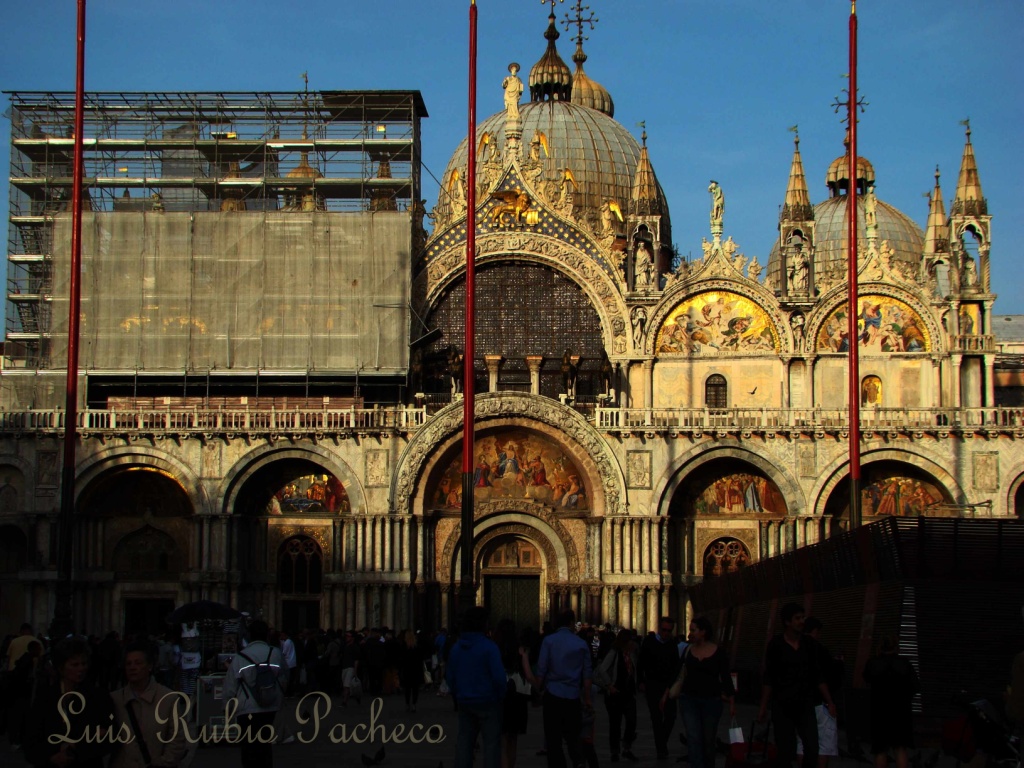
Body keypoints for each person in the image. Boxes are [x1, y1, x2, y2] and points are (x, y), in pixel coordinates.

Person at [757, 603, 836, 768]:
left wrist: (829, 701)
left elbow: (818, 675)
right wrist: (763, 706)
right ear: (787, 622)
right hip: (783, 705)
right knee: (785, 750)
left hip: (806, 704)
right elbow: (769, 677)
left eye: (803, 617)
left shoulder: (808, 644)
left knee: (812, 747)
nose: (802, 621)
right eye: (797, 618)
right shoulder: (777, 644)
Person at [23, 636, 117, 768]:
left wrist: (76, 748)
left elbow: (111, 738)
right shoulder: (45, 698)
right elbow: (30, 741)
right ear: (61, 668)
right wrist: (51, 756)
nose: (81, 669)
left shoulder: (98, 696)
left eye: (84, 664)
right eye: (75, 664)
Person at [666, 617, 736, 768]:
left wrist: (731, 699)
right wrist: (666, 692)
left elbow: (725, 677)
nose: (690, 633)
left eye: (693, 630)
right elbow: (677, 672)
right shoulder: (688, 650)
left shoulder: (718, 652)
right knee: (693, 737)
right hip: (689, 699)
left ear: (703, 632)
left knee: (708, 739)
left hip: (712, 700)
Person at [110, 640, 189, 768]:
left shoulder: (168, 698)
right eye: (128, 663)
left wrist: (163, 762)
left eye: (138, 663)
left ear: (150, 666)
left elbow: (177, 739)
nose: (132, 667)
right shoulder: (115, 699)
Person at [531, 609, 594, 768]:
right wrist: (587, 699)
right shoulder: (581, 643)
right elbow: (587, 676)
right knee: (573, 736)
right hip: (573, 697)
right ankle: (578, 761)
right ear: (571, 623)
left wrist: (537, 689)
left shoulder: (549, 641)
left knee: (553, 740)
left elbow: (541, 669)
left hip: (553, 695)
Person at [446, 607, 507, 768]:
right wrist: (499, 696)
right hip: (488, 702)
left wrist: (458, 693)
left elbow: (450, 676)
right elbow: (500, 678)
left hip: (465, 702)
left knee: (464, 743)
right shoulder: (489, 647)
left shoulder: (457, 648)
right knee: (491, 745)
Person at [224, 620, 287, 768]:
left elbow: (230, 686)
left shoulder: (240, 657)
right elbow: (284, 677)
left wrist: (227, 708)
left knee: (248, 749)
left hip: (246, 709)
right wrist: (278, 695)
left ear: (249, 635)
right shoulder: (275, 653)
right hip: (270, 707)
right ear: (266, 635)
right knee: (265, 745)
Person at [862, 636, 918, 768]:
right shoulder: (904, 663)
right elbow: (915, 686)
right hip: (900, 711)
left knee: (880, 750)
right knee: (900, 749)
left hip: (880, 711)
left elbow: (866, 679)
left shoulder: (873, 663)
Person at [796, 618, 843, 768]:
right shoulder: (820, 650)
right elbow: (827, 677)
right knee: (824, 743)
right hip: (820, 703)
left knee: (801, 742)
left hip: (800, 702)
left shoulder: (795, 648)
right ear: (815, 631)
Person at [593, 628, 639, 762]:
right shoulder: (615, 652)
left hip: (629, 694)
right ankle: (615, 751)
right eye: (631, 640)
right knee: (615, 724)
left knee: (632, 721)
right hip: (615, 694)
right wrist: (609, 685)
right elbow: (602, 669)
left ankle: (626, 747)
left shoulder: (631, 654)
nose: (633, 643)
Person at [639, 616, 682, 760]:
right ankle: (661, 749)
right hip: (652, 685)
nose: (666, 633)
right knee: (656, 718)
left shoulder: (672, 644)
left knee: (671, 716)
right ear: (659, 628)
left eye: (669, 631)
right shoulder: (649, 642)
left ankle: (661, 743)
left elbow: (676, 667)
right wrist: (641, 681)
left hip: (667, 686)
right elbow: (641, 662)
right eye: (664, 630)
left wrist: (671, 685)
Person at [495, 619, 531, 768]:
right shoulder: (520, 649)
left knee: (503, 741)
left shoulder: (495, 649)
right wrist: (537, 689)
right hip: (518, 697)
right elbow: (528, 673)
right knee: (513, 740)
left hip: (501, 694)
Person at [398, 629, 425, 713]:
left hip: (407, 670)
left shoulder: (403, 646)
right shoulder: (417, 646)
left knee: (407, 689)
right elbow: (421, 659)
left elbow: (401, 659)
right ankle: (414, 704)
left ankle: (407, 704)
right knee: (415, 689)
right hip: (416, 670)